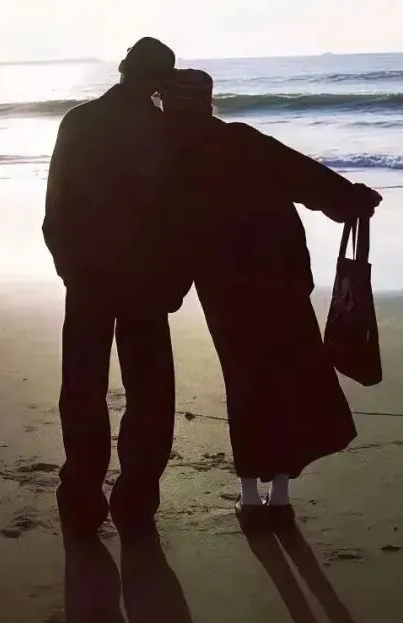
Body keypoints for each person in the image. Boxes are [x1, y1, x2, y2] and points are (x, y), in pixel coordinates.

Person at [159, 68, 381, 523]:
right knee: (289, 377)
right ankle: (279, 495)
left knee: (245, 381)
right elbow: (307, 178)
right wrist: (353, 199)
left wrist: (167, 288)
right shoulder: (243, 140)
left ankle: (248, 494)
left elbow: (168, 231)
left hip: (224, 289)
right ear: (209, 103)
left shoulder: (170, 157)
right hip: (282, 276)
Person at [43, 37, 183, 537]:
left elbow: (56, 204)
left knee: (83, 389)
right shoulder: (163, 129)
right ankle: (136, 501)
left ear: (123, 68)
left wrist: (68, 265)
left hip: (89, 274)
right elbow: (178, 215)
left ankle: (81, 499)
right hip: (145, 277)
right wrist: (174, 280)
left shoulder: (78, 121)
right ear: (161, 80)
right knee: (149, 394)